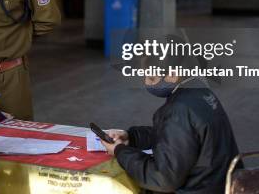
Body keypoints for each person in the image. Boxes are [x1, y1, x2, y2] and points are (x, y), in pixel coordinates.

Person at [101, 70, 239, 193]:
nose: (147, 81)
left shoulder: (177, 110)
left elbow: (162, 179)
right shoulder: (198, 90)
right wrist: (132, 137)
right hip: (226, 184)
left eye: (151, 77)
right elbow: (180, 135)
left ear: (172, 74)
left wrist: (120, 151)